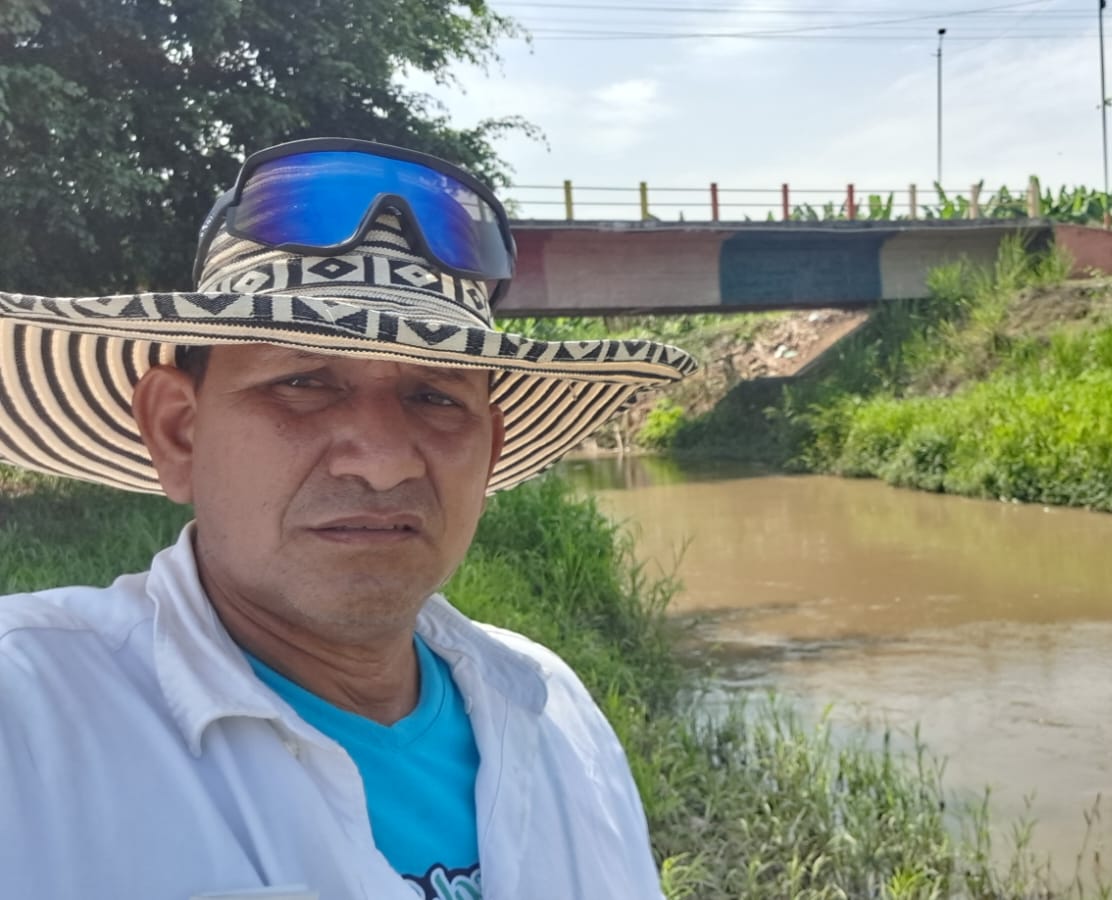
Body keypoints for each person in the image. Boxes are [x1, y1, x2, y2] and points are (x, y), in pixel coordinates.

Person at [0, 138, 697, 899]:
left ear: (489, 451)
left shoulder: (553, 708)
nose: (384, 461)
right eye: (303, 383)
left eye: (435, 397)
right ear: (179, 431)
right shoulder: (30, 717)